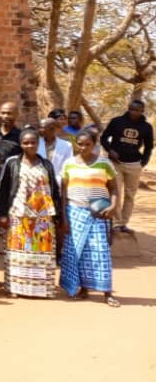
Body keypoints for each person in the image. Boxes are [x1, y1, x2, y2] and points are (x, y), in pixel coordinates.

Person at [0, 129, 63, 299]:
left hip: (43, 217)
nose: (30, 145)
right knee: (17, 253)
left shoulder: (46, 164)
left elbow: (54, 190)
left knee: (42, 253)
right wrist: (2, 213)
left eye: (33, 142)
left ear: (38, 143)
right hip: (18, 215)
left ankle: (43, 289)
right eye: (26, 142)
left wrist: (58, 214)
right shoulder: (13, 163)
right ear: (21, 144)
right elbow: (3, 190)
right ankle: (16, 288)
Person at [59, 131, 120, 307]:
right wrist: (64, 217)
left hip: (98, 213)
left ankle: (107, 292)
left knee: (100, 252)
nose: (83, 147)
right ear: (75, 144)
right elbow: (63, 193)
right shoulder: (69, 164)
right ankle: (82, 289)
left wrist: (113, 206)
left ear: (94, 144)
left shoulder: (104, 163)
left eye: (87, 144)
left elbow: (114, 188)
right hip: (74, 212)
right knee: (77, 253)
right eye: (80, 144)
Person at [100, 100, 153, 233]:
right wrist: (109, 150)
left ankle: (124, 222)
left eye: (136, 110)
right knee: (116, 192)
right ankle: (116, 223)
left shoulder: (146, 127)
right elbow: (104, 138)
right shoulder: (117, 121)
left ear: (142, 111)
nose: (133, 112)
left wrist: (143, 162)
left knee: (130, 195)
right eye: (131, 109)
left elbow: (149, 146)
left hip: (134, 165)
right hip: (116, 164)